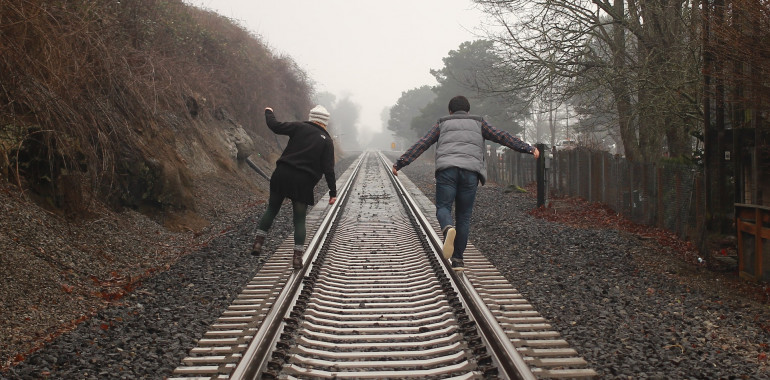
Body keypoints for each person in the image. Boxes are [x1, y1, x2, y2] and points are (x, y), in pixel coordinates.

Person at [392, 95, 540, 270]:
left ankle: (447, 228)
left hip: (447, 171)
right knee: (463, 216)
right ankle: (458, 260)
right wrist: (528, 148)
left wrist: (400, 163)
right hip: (470, 172)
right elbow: (502, 136)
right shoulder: (479, 123)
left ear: (450, 111)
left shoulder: (442, 123)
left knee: (443, 207)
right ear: (468, 111)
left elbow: (422, 144)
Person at [251, 105, 337, 269]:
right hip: (303, 182)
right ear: (325, 122)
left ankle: (258, 243)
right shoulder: (326, 141)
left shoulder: (299, 127)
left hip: (282, 174)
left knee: (272, 209)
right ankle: (297, 258)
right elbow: (328, 169)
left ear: (311, 117)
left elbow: (275, 126)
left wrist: (269, 112)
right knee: (299, 220)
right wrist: (333, 192)